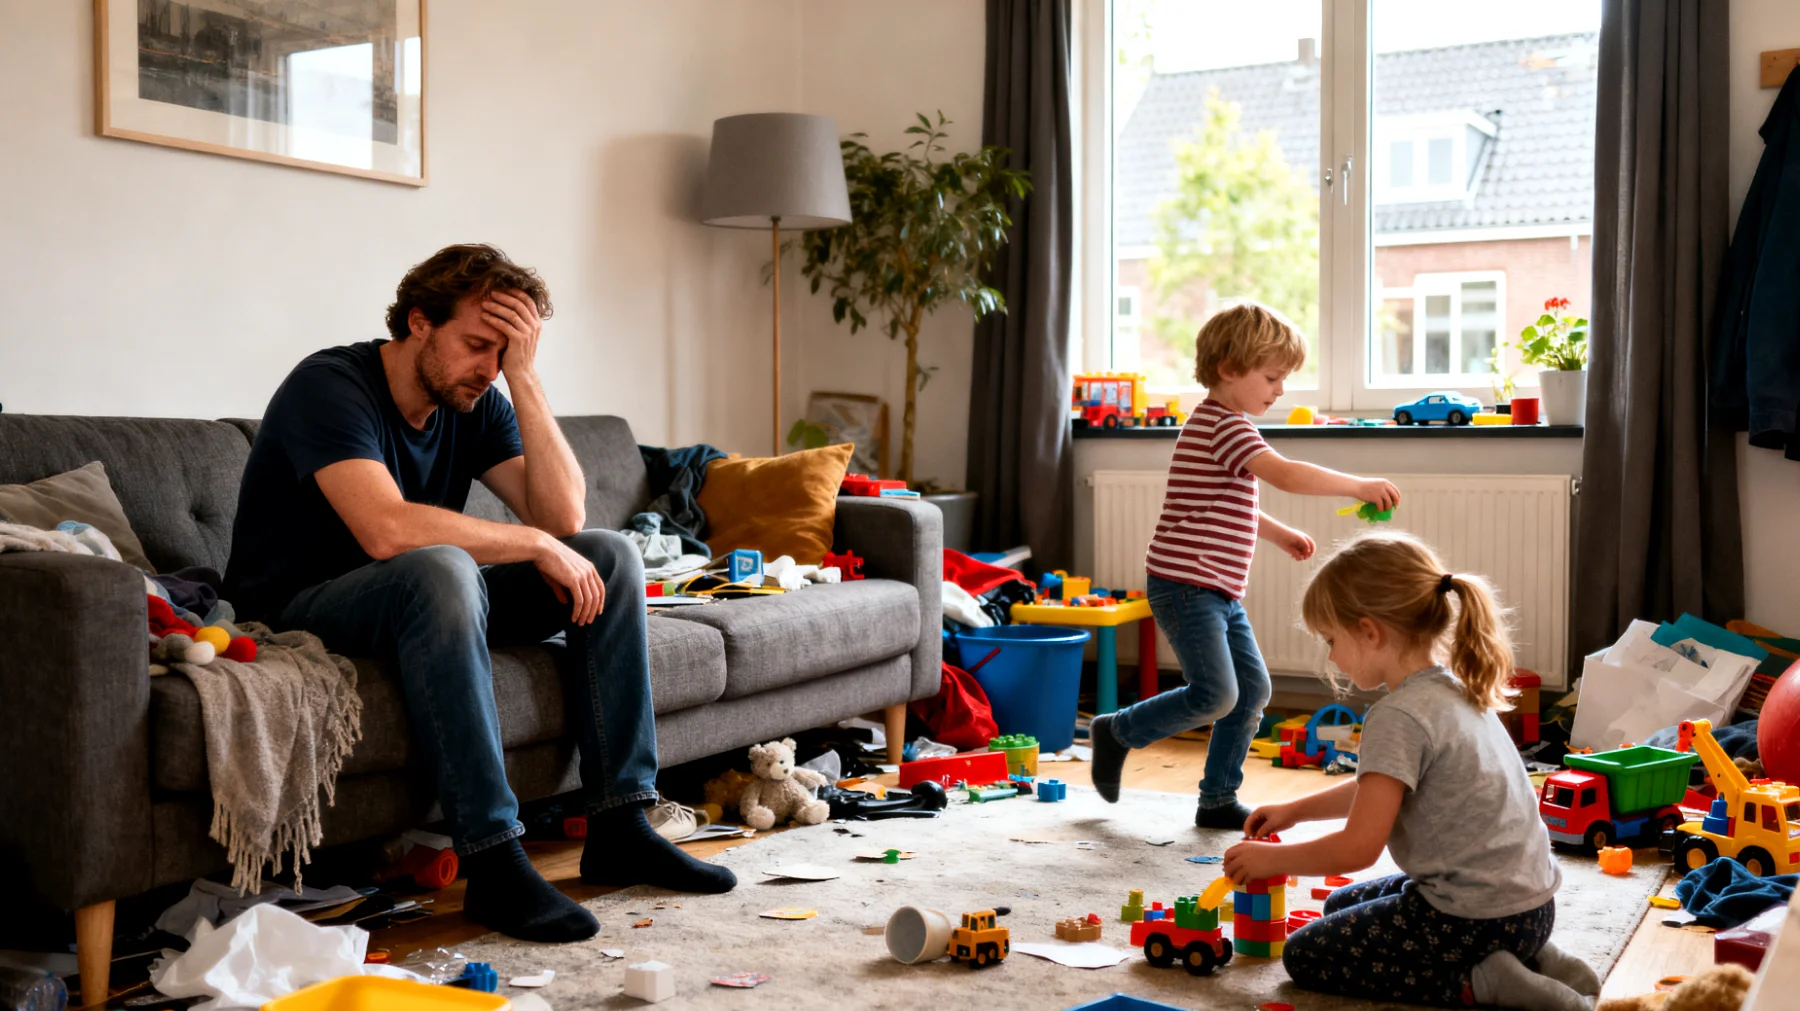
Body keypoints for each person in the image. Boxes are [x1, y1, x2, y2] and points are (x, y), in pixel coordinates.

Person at [224, 244, 736, 944]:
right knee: (442, 566)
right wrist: (531, 545)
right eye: (476, 345)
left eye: (504, 352)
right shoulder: (330, 385)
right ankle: (492, 857)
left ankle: (621, 823)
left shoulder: (476, 397)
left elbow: (565, 518)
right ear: (419, 323)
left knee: (609, 556)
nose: (487, 368)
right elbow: (385, 528)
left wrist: (525, 378)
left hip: (424, 604)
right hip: (300, 610)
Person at [1221, 533, 1597, 1011]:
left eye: (1332, 640)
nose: (1331, 656)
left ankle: (1484, 981)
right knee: (1340, 906)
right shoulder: (1456, 687)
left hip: (1473, 920)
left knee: (1307, 955)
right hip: (1532, 909)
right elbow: (1382, 786)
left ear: (1369, 631)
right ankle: (1538, 956)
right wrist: (1295, 811)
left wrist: (1273, 861)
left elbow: (1358, 848)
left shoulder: (1398, 716)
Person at [1087, 303, 1400, 830]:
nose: (1280, 390)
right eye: (1272, 378)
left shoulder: (1222, 427)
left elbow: (1230, 505)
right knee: (1217, 694)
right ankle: (1117, 731)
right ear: (1230, 368)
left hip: (1215, 589)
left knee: (1251, 692)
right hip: (1186, 585)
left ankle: (1217, 801)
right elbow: (1287, 475)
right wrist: (1357, 485)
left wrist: (1279, 535)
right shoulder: (1223, 426)